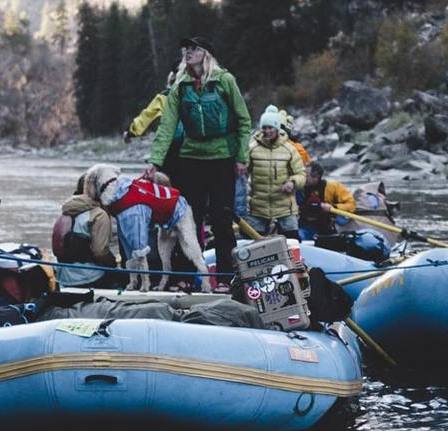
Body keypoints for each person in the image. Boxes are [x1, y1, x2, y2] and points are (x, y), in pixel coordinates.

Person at [144, 36, 251, 291]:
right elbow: (167, 127)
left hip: (222, 157)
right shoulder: (180, 87)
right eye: (186, 49)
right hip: (191, 158)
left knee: (221, 219)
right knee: (187, 219)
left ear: (206, 54)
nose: (188, 52)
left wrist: (241, 157)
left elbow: (244, 120)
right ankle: (184, 277)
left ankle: (226, 278)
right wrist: (155, 162)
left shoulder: (225, 81)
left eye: (193, 48)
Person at [52, 165, 128, 289]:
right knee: (123, 277)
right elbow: (100, 252)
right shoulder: (99, 215)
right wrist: (113, 264)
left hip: (64, 276)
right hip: (88, 277)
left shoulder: (68, 210)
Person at [247, 105, 306, 239]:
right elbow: (242, 173)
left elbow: (301, 174)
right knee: (253, 244)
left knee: (292, 242)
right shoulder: (252, 149)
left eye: (270, 128)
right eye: (264, 128)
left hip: (285, 207)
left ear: (277, 128)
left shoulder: (289, 149)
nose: (267, 131)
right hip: (258, 208)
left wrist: (293, 182)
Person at [297, 162, 356, 240]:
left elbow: (351, 205)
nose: (301, 178)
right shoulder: (298, 188)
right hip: (305, 226)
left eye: (305, 176)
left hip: (327, 226)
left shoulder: (333, 187)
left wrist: (333, 207)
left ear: (316, 177)